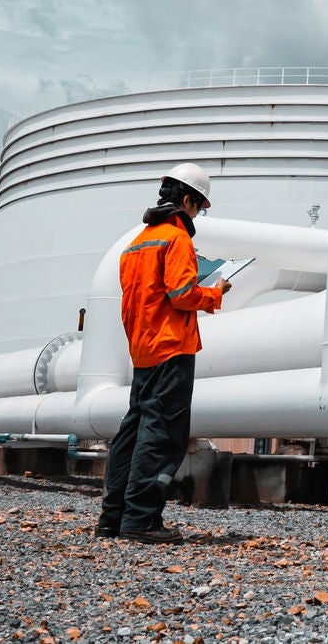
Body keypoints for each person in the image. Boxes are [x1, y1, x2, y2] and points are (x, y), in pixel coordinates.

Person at [96, 162, 227, 543]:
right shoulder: (177, 239)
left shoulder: (135, 243)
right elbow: (182, 294)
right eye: (199, 206)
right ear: (188, 200)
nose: (198, 213)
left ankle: (113, 518)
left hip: (142, 350)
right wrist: (216, 292)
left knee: (133, 433)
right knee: (161, 435)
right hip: (171, 348)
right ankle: (141, 520)